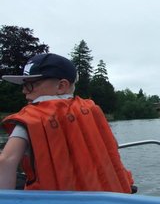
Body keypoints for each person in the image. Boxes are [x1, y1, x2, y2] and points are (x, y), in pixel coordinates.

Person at [0, 53, 135, 193]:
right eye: (24, 85)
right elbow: (112, 148)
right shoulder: (91, 110)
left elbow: (6, 161)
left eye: (31, 85)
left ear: (61, 86)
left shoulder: (31, 118)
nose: (24, 91)